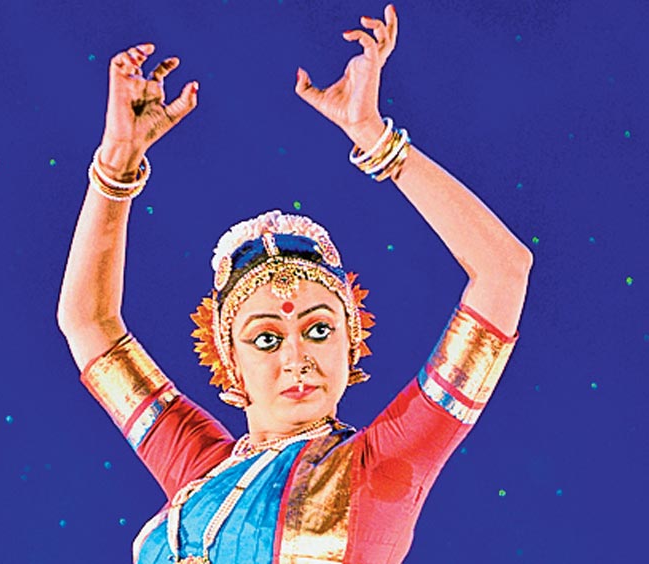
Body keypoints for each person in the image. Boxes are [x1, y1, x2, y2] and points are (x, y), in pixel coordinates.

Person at [57, 4, 533, 563]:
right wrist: (117, 164)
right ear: (230, 362)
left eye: (319, 330)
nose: (297, 358)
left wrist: (376, 138)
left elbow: (503, 270)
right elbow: (88, 323)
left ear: (352, 344)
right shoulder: (199, 468)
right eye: (266, 338)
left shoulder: (379, 467)